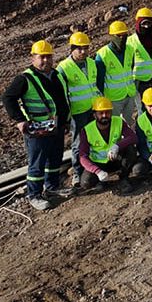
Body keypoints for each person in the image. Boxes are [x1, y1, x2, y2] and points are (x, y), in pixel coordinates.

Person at [1, 40, 71, 210]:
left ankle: (52, 187)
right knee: (37, 163)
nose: (46, 60)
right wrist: (19, 119)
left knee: (55, 159)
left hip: (56, 126)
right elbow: (8, 98)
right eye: (42, 57)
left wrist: (65, 120)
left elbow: (62, 98)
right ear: (33, 58)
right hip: (37, 129)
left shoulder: (56, 75)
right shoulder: (25, 79)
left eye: (49, 57)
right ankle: (34, 194)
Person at [56, 31, 101, 189]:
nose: (83, 52)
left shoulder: (91, 63)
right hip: (77, 112)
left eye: (85, 48)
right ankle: (77, 171)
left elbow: (94, 86)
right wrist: (66, 116)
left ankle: (92, 168)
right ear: (72, 49)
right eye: (79, 48)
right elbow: (61, 94)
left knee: (93, 139)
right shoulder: (64, 67)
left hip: (92, 109)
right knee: (78, 142)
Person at [77, 96, 138, 195]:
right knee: (86, 183)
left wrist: (117, 146)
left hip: (115, 160)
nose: (105, 115)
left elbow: (133, 137)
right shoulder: (87, 130)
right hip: (99, 164)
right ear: (94, 115)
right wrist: (97, 171)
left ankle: (124, 178)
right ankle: (102, 181)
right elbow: (82, 156)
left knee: (130, 149)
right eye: (101, 113)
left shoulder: (118, 121)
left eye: (108, 112)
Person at [95, 20, 137, 125]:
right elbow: (99, 80)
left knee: (129, 123)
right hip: (113, 98)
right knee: (114, 124)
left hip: (129, 94)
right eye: (119, 35)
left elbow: (130, 68)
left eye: (124, 35)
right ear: (112, 37)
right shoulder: (102, 55)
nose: (122, 38)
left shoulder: (130, 50)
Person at [128, 7, 152, 105]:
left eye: (148, 23)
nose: (146, 26)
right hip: (140, 82)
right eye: (143, 23)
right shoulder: (130, 41)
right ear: (138, 23)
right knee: (143, 109)